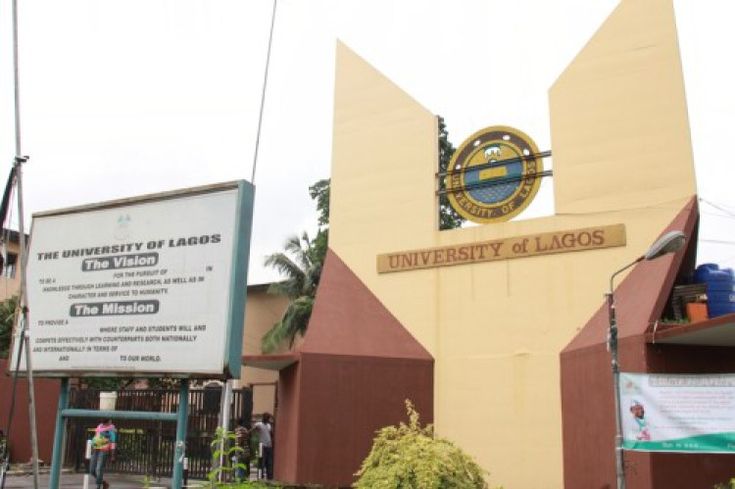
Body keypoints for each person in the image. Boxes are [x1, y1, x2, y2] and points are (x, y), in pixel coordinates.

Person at [89, 418, 117, 489]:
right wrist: (92, 447)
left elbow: (113, 442)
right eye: (110, 420)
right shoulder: (99, 427)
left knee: (99, 469)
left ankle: (98, 486)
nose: (111, 421)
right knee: (92, 470)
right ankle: (104, 482)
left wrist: (112, 455)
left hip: (104, 450)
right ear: (107, 421)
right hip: (95, 449)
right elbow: (95, 438)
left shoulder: (111, 429)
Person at [252, 413, 273, 480]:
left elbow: (270, 434)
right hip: (262, 446)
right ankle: (260, 476)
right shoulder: (259, 424)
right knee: (262, 461)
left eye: (268, 418)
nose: (267, 419)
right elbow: (253, 429)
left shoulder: (269, 425)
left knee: (269, 462)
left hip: (269, 446)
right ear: (263, 418)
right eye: (266, 418)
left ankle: (269, 477)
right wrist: (254, 430)